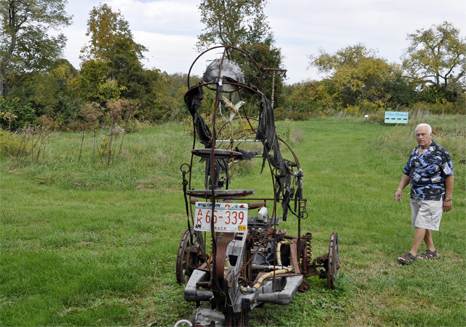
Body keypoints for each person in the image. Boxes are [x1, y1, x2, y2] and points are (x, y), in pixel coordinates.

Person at [394, 123, 454, 265]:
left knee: (422, 222)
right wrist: (400, 188)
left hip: (432, 196)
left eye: (423, 134)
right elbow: (408, 172)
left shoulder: (440, 152)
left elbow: (449, 175)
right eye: (418, 135)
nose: (420, 137)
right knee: (421, 223)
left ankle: (412, 254)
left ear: (431, 134)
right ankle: (432, 251)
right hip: (416, 195)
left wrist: (448, 198)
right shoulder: (415, 151)